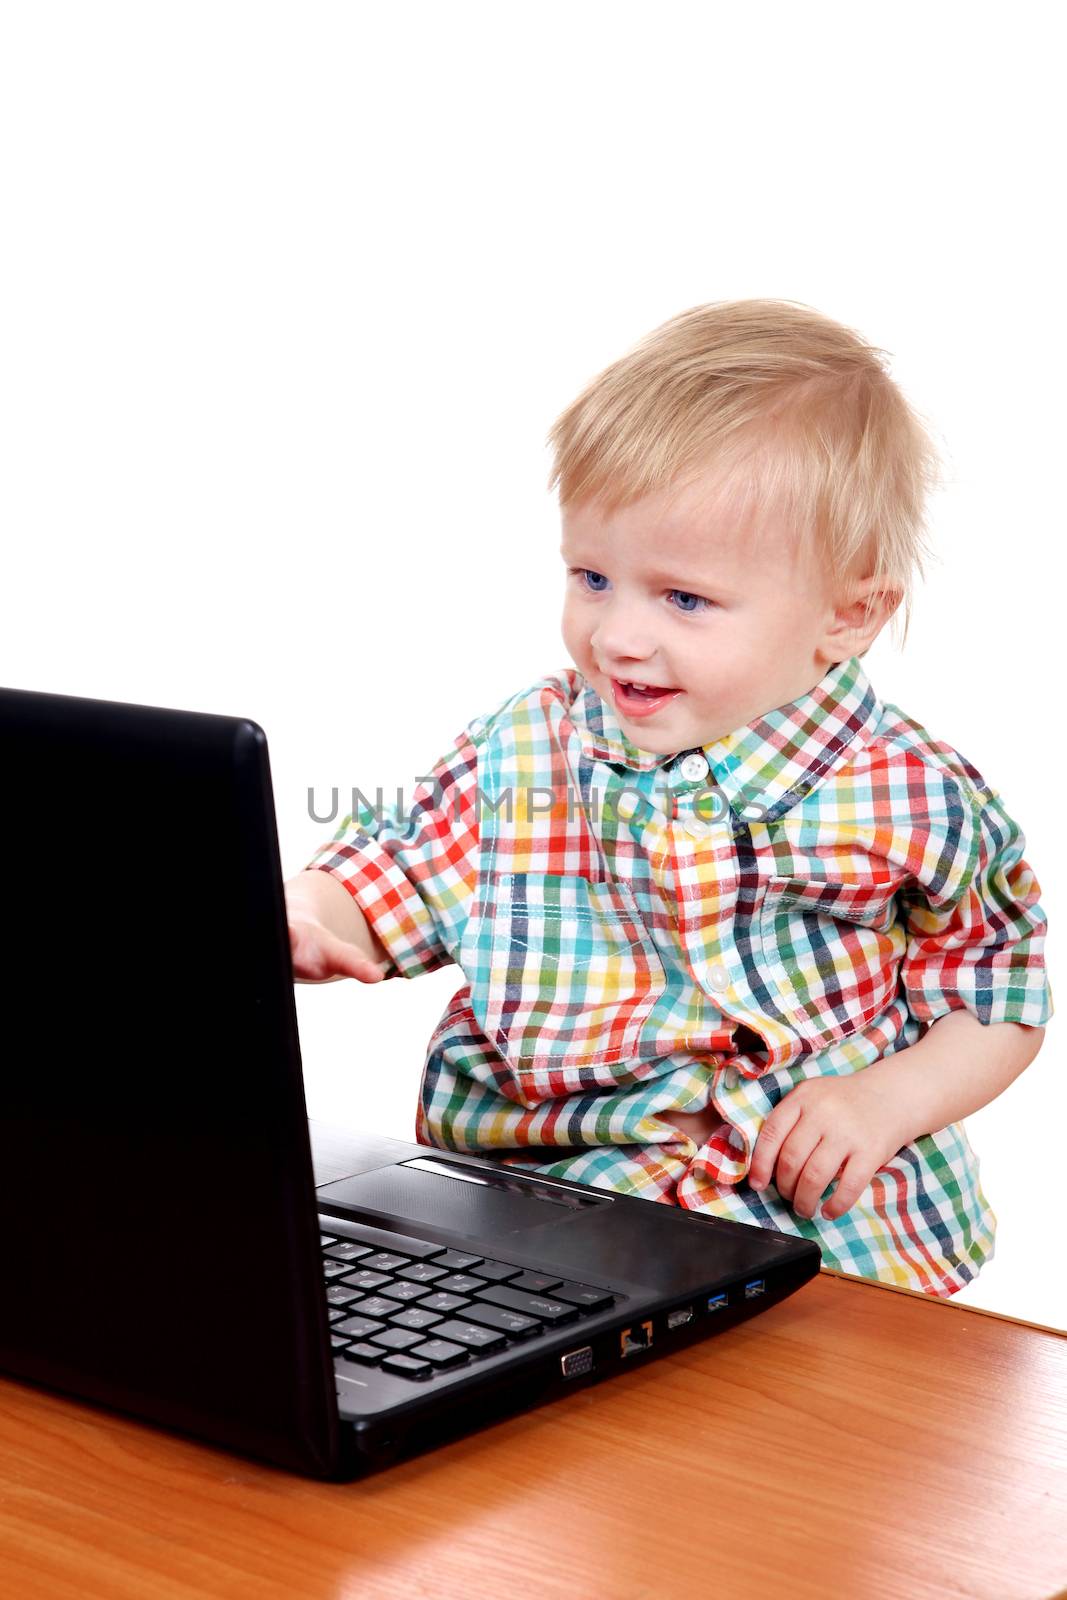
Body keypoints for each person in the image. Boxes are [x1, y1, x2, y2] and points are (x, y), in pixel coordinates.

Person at [284, 299, 1052, 1296]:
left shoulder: (908, 795)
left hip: (823, 1232)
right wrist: (314, 912)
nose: (617, 637)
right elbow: (393, 871)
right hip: (546, 1222)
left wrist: (882, 1102)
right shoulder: (530, 748)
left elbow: (998, 998)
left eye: (683, 599)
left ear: (846, 615)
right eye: (592, 577)